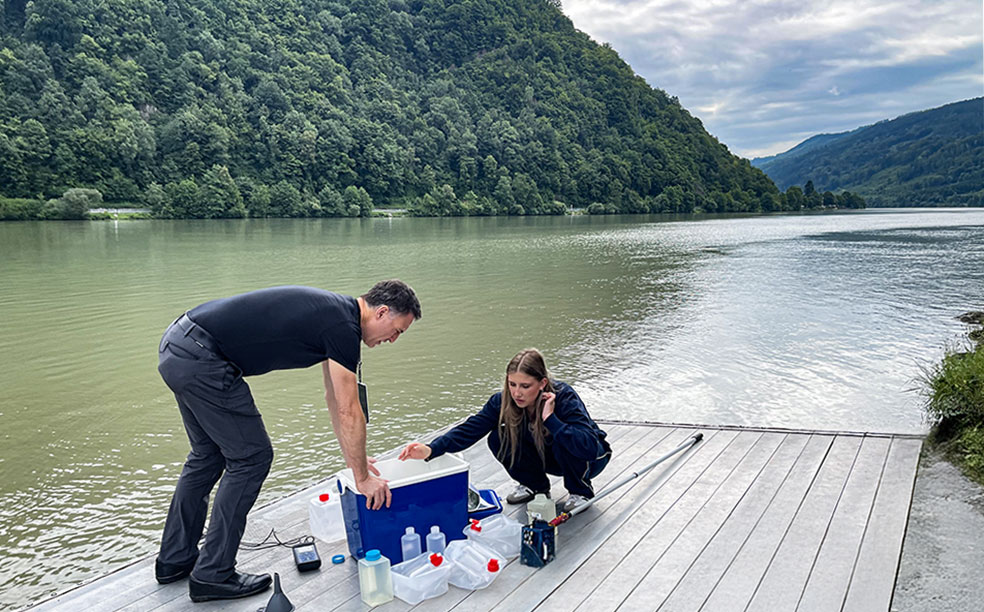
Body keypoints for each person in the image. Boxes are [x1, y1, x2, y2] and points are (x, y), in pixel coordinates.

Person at [155, 280, 421, 603]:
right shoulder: (342, 328)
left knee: (207, 455)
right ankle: (213, 573)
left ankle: (175, 558)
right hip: (201, 357)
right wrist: (362, 480)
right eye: (397, 331)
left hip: (179, 346)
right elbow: (349, 411)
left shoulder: (338, 317)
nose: (392, 340)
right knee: (251, 457)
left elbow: (335, 402)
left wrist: (358, 465)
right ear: (381, 312)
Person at [398, 348, 611, 514]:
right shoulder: (502, 401)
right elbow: (471, 428)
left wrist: (550, 420)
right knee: (498, 437)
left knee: (563, 437)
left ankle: (580, 492)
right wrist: (431, 449)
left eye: (525, 386)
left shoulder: (564, 397)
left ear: (542, 383)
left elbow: (589, 447)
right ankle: (535, 487)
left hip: (590, 460)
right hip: (551, 457)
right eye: (512, 384)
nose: (517, 393)